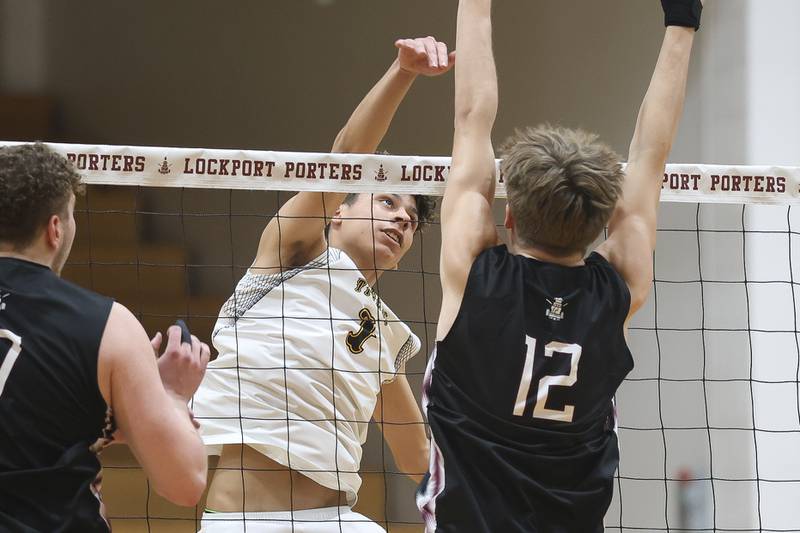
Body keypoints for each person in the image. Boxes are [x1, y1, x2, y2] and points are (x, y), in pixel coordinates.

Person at [416, 0, 702, 531]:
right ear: (602, 227)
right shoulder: (617, 286)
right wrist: (682, 22)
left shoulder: (474, 271)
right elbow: (650, 156)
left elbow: (471, 117)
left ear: (507, 217)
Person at [192, 36, 453, 532]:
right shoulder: (292, 254)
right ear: (337, 210)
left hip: (336, 521)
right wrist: (404, 72)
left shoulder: (385, 335)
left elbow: (418, 454)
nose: (402, 219)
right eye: (387, 202)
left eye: (412, 218)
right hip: (248, 522)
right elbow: (348, 153)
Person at [0, 143, 211, 532]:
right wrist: (172, 396)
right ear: (55, 229)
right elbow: (184, 483)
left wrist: (103, 414)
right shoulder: (107, 326)